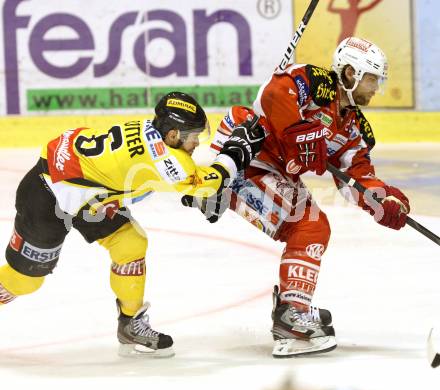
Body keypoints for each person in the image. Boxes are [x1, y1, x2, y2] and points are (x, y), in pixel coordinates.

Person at [183, 37, 410, 358]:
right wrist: (297, 129)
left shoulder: (355, 127)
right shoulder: (316, 83)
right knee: (310, 226)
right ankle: (217, 180)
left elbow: (356, 175)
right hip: (248, 154)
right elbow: (273, 94)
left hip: (274, 172)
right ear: (349, 73)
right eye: (372, 79)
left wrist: (381, 200)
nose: (376, 88)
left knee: (313, 228)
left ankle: (293, 307)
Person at [0, 91, 264, 358]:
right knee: (24, 281)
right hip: (48, 194)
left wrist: (193, 189)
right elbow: (206, 183)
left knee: (130, 243)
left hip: (86, 191)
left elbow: (159, 175)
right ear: (173, 135)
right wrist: (234, 153)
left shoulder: (151, 133)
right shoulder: (170, 159)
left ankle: (130, 323)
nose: (197, 142)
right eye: (194, 136)